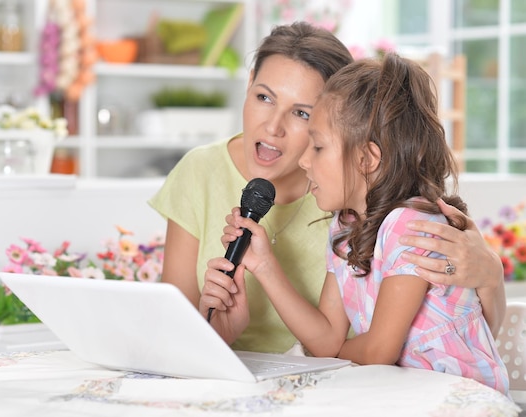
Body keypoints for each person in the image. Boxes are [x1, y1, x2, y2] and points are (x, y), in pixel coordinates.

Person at [149, 22, 505, 354]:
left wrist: (490, 275)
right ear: (249, 84)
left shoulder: (363, 203)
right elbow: (174, 333)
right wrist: (216, 332)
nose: (273, 127)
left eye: (302, 114)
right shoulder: (203, 172)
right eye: (264, 97)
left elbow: (461, 330)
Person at [205, 53, 509, 393]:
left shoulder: (409, 224)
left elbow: (378, 350)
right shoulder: (345, 226)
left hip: (458, 396)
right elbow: (326, 337)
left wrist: (332, 357)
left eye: (318, 147)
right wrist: (263, 264)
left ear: (366, 158)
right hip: (403, 392)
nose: (305, 161)